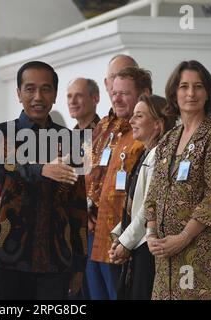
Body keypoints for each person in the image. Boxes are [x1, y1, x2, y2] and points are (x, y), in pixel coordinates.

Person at [0, 61, 87, 300]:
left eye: (46, 89)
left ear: (55, 94)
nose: (38, 96)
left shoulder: (73, 140)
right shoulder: (1, 132)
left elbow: (78, 206)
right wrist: (43, 169)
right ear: (19, 93)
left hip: (56, 260)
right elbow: (12, 164)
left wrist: (79, 265)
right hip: (8, 257)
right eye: (30, 89)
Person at [144, 60, 211, 300]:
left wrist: (184, 237)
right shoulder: (168, 140)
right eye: (184, 86)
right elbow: (153, 193)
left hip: (201, 255)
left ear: (208, 93)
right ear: (174, 93)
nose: (191, 93)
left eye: (198, 86)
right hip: (165, 257)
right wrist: (151, 233)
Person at [85, 58, 150, 300]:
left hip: (123, 238)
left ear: (143, 94)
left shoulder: (147, 130)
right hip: (93, 232)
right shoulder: (103, 125)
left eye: (124, 93)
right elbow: (87, 171)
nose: (117, 98)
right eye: (114, 91)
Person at [108, 95, 176, 299]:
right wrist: (119, 235)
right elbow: (136, 204)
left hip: (146, 245)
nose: (131, 121)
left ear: (157, 124)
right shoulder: (146, 154)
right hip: (137, 242)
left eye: (139, 116)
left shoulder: (159, 156)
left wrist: (125, 242)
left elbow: (149, 206)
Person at [66, 77, 101, 300]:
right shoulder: (67, 137)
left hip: (92, 227)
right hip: (68, 228)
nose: (73, 101)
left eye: (78, 95)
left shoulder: (103, 134)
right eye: (69, 96)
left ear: (95, 98)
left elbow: (100, 180)